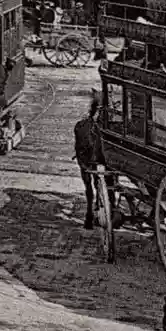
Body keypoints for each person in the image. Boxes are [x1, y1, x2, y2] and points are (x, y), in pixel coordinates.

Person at [73, 92, 108, 230]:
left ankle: (90, 213)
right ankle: (97, 208)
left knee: (88, 185)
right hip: (100, 158)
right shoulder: (102, 127)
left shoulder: (81, 126)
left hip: (87, 160)